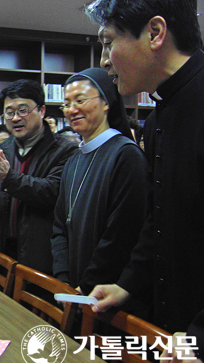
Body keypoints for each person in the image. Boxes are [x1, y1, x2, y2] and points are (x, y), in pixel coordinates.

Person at [84, 1, 204, 363]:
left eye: (108, 42)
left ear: (155, 33)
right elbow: (159, 220)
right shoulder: (156, 120)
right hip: (173, 335)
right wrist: (127, 286)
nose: (104, 60)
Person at [0, 80, 78, 276]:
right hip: (1, 253)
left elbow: (52, 192)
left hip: (40, 257)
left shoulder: (65, 150)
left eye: (23, 110)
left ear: (41, 111)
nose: (15, 118)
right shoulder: (2, 150)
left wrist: (9, 178)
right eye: (9, 112)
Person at [50, 68, 148, 301]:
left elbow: (122, 234)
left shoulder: (125, 155)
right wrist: (63, 278)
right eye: (66, 103)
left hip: (106, 292)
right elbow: (59, 225)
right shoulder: (73, 160)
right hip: (73, 289)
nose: (72, 109)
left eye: (80, 100)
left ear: (106, 102)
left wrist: (87, 284)